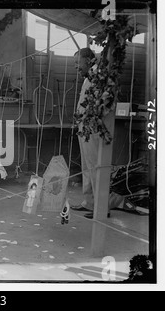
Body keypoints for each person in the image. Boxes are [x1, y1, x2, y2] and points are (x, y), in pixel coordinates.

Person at [70, 47, 114, 219]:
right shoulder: (89, 76)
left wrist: (90, 119)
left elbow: (104, 102)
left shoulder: (99, 75)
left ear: (88, 60)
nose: (76, 67)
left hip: (93, 126)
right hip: (84, 126)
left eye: (77, 63)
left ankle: (102, 208)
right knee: (87, 166)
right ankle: (89, 202)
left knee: (95, 166)